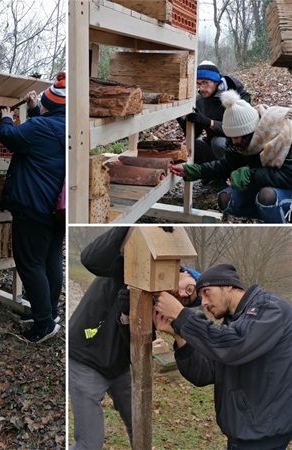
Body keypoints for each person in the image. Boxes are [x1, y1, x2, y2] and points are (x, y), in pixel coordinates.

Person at [68, 227, 201, 450]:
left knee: (140, 425)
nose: (184, 295)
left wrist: (128, 316)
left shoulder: (161, 307)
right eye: (189, 288)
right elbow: (90, 260)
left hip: (120, 368)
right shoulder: (134, 263)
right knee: (89, 444)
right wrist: (128, 226)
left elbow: (136, 346)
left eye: (188, 301)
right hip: (86, 359)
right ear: (184, 272)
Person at [153, 263, 292, 450]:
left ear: (228, 285)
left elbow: (234, 346)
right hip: (241, 434)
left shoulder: (269, 307)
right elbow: (204, 373)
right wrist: (178, 335)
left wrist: (180, 314)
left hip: (264, 436)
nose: (203, 303)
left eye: (207, 293)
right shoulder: (232, 324)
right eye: (200, 297)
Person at [0, 71, 65, 344]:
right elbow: (43, 132)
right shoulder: (65, 126)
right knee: (49, 261)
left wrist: (4, 117)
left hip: (33, 207)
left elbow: (9, 136)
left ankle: (43, 324)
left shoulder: (39, 128)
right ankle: (49, 313)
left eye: (44, 102)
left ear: (50, 105)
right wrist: (35, 108)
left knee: (30, 264)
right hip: (56, 209)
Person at [170, 90, 292, 223]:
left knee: (266, 197)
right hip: (268, 184)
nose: (234, 142)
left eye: (237, 137)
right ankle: (270, 215)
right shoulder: (245, 142)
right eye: (230, 138)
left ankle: (281, 229)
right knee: (225, 199)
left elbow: (289, 176)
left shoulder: (284, 137)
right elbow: (224, 165)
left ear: (250, 132)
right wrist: (194, 170)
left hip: (286, 187)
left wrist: (251, 175)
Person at [178, 61, 251, 164]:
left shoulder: (238, 96)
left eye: (205, 83)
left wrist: (210, 123)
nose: (201, 88)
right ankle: (211, 176)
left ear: (216, 81)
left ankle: (233, 174)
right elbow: (195, 134)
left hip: (239, 146)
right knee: (188, 145)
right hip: (212, 145)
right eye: (198, 84)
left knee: (218, 142)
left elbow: (242, 130)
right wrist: (182, 120)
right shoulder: (200, 100)